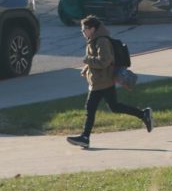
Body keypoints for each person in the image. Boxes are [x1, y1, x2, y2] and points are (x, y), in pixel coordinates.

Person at [66, 15, 153, 149]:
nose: (83, 33)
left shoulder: (101, 41)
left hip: (102, 81)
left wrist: (87, 61)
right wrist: (86, 69)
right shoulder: (94, 40)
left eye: (84, 30)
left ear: (92, 29)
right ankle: (143, 114)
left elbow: (105, 61)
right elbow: (97, 60)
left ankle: (85, 137)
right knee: (114, 107)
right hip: (101, 81)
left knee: (90, 108)